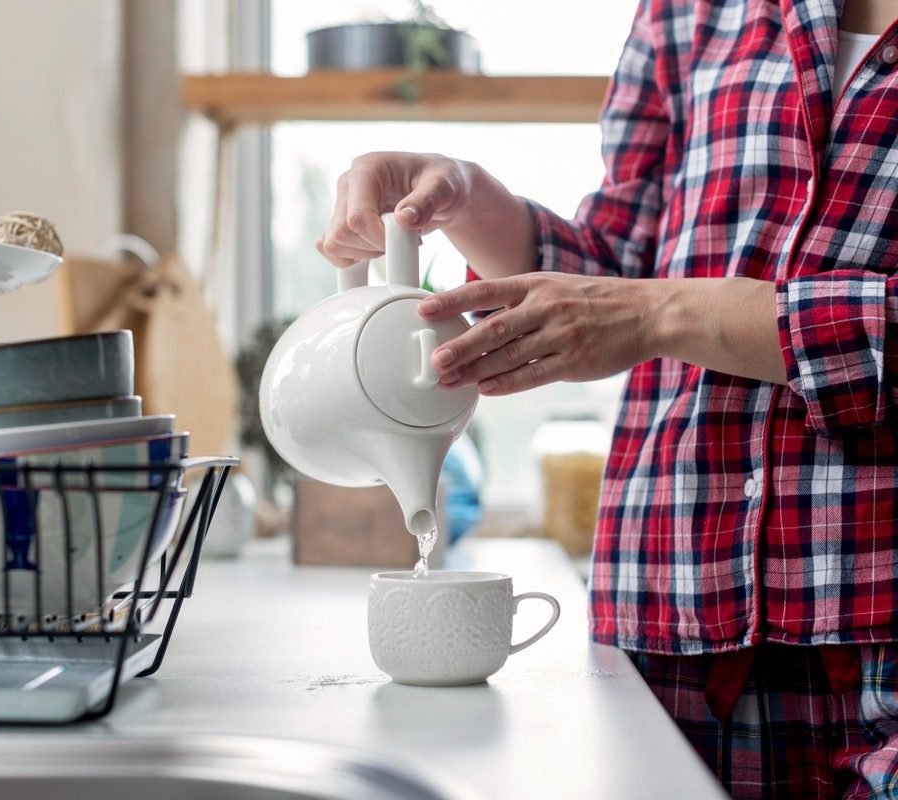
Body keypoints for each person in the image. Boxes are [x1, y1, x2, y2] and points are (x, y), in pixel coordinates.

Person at [318, 1, 898, 797]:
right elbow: (621, 261)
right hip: (677, 605)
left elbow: (638, 303)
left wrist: (662, 312)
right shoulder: (691, 12)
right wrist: (464, 200)